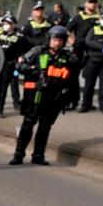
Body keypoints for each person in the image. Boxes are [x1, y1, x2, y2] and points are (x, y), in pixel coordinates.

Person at [10, 25, 80, 166]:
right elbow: (19, 66)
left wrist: (72, 98)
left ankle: (38, 155)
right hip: (36, 96)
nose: (57, 43)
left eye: (61, 40)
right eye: (55, 39)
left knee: (45, 127)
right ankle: (18, 154)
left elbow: (73, 78)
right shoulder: (37, 52)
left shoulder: (68, 57)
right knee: (28, 124)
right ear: (49, 39)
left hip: (54, 98)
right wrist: (33, 70)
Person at [0, 14, 28, 117]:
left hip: (8, 64)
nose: (6, 25)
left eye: (8, 23)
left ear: (13, 25)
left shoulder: (18, 37)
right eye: (4, 23)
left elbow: (22, 50)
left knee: (3, 88)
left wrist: (20, 57)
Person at [79, 13, 103, 113]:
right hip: (93, 59)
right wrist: (102, 47)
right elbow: (88, 41)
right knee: (89, 84)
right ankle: (85, 105)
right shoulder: (94, 29)